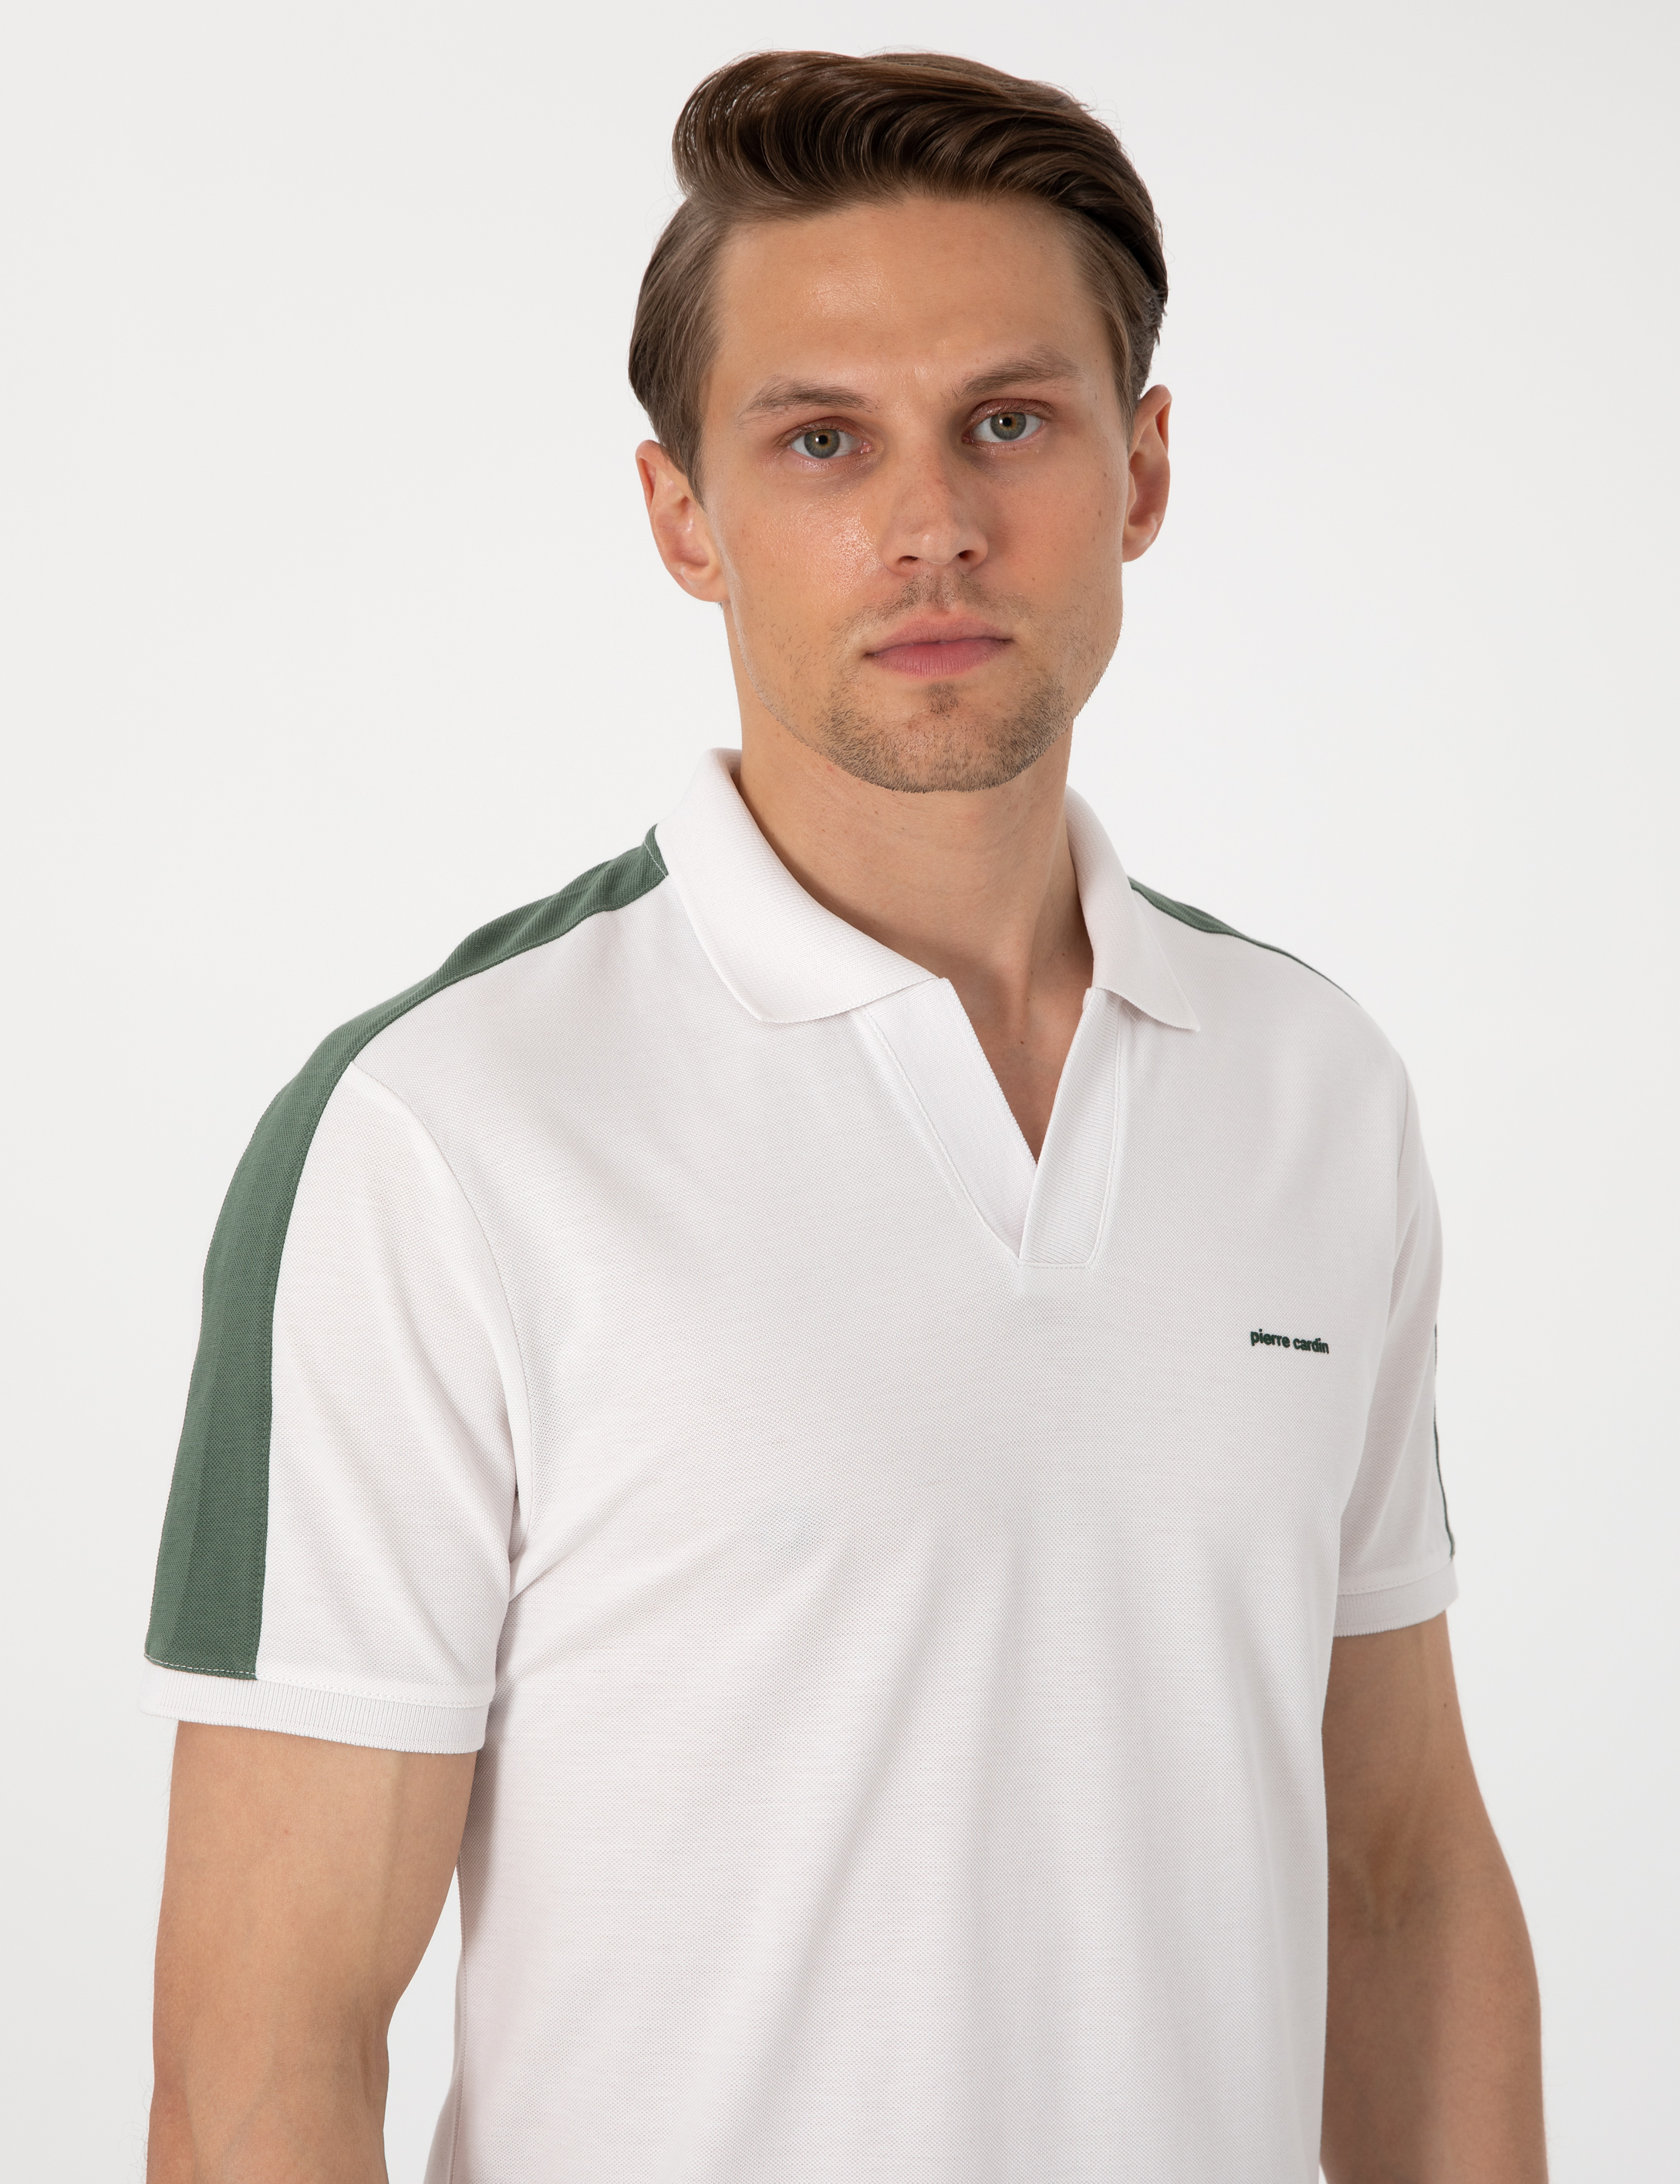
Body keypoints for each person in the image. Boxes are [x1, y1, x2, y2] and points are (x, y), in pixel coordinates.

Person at [141, 49, 1547, 2184]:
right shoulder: (440, 1131)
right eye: (822, 440)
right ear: (681, 519)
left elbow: (1402, 1877)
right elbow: (270, 2042)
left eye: (1011, 421)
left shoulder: (1311, 1087)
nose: (931, 526)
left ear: (1143, 471)